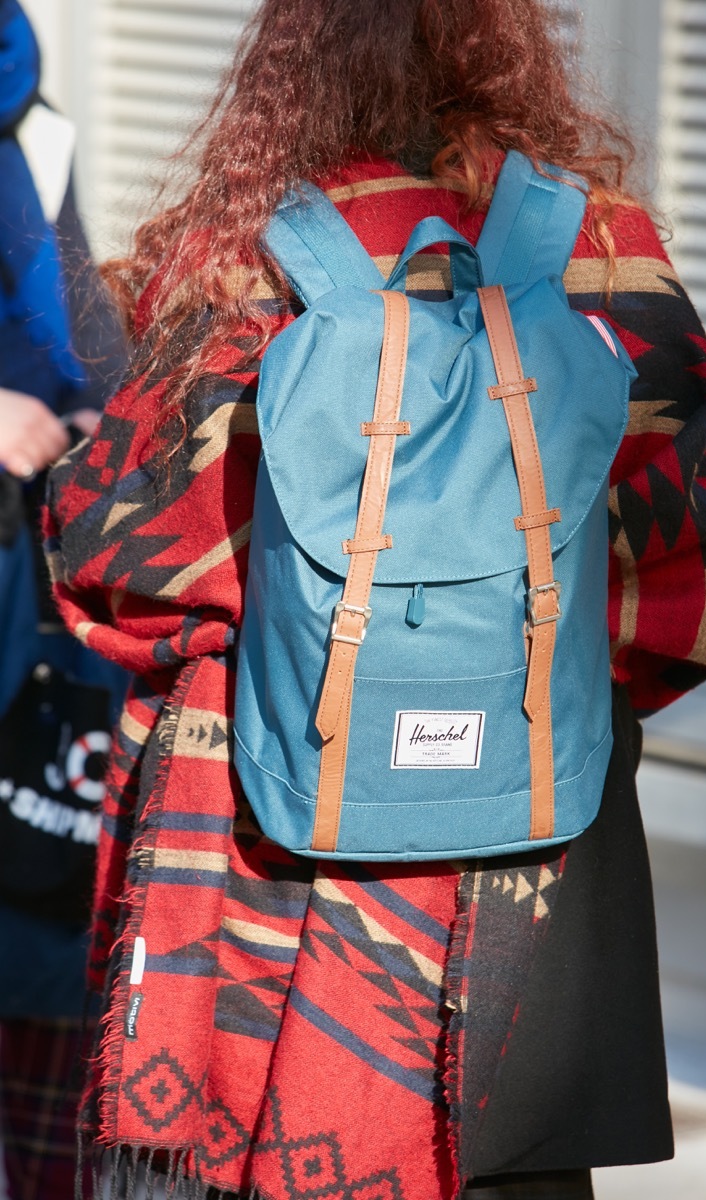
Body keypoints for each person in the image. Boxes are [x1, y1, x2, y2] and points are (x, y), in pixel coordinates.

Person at [45, 2, 706, 1197]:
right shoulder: (604, 251)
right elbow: (683, 592)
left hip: (262, 841)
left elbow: (118, 562)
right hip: (527, 862)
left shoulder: (236, 256)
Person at [0, 3, 126, 1197]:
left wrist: (103, 423)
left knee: (44, 946)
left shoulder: (33, 126)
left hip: (25, 599)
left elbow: (84, 335)